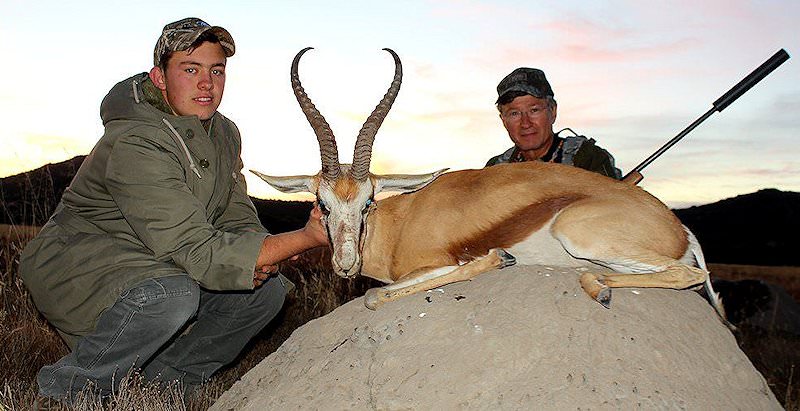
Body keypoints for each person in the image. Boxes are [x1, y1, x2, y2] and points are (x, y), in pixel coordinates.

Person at [20, 17, 328, 403]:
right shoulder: (136, 141)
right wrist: (304, 237)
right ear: (160, 78)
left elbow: (234, 215)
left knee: (265, 293)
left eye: (217, 70)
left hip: (153, 259)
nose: (207, 83)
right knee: (171, 294)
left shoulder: (223, 133)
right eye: (190, 69)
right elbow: (196, 251)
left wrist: (263, 252)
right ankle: (69, 389)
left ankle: (163, 385)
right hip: (77, 264)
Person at [486, 67, 622, 179]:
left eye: (534, 110)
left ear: (553, 111)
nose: (525, 123)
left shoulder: (586, 157)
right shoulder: (494, 170)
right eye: (514, 113)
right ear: (504, 120)